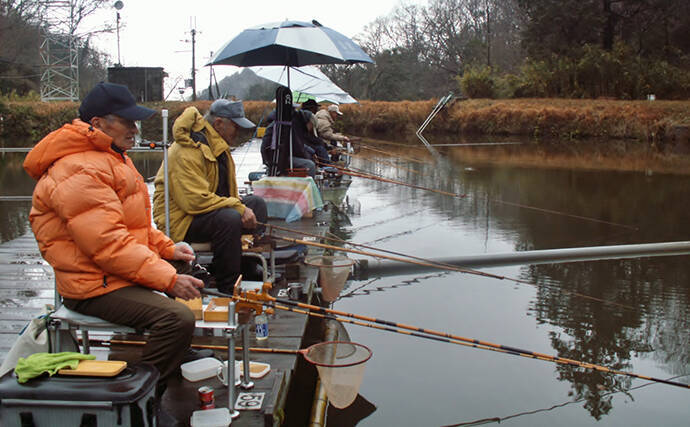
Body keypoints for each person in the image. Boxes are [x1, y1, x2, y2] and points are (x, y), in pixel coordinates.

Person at [23, 82, 207, 387]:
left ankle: (174, 350)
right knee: (177, 319)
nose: (135, 128)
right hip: (92, 285)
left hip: (109, 271)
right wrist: (169, 280)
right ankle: (138, 391)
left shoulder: (111, 157)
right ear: (97, 123)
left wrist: (168, 249)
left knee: (189, 268)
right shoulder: (80, 170)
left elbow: (134, 227)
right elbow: (108, 244)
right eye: (126, 121)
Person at [153, 99, 267, 294]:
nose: (238, 131)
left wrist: (240, 205)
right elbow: (195, 201)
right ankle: (227, 287)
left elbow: (224, 193)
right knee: (229, 219)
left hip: (203, 212)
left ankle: (243, 263)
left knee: (256, 204)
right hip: (182, 220)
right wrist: (238, 207)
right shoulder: (187, 150)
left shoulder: (217, 146)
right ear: (219, 123)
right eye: (235, 126)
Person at [260, 108, 317, 177]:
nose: (310, 130)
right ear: (309, 122)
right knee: (310, 165)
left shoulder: (288, 123)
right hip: (277, 158)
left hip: (277, 156)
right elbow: (298, 148)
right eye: (311, 126)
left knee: (308, 161)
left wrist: (311, 151)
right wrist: (310, 157)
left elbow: (296, 144)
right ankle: (307, 186)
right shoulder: (292, 125)